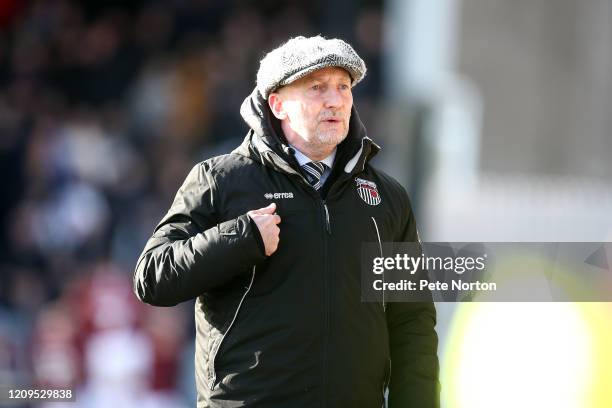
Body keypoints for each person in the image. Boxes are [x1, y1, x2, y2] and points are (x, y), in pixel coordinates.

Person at [133, 35, 439, 407]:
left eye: (343, 87)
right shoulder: (220, 180)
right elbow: (152, 276)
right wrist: (240, 237)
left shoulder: (389, 197)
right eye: (317, 88)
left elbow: (412, 321)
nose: (335, 100)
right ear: (277, 104)